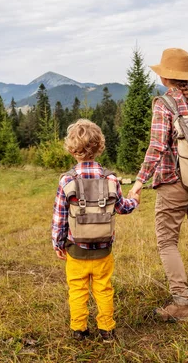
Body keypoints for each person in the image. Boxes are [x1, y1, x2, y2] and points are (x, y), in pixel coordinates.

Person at [130, 48, 188, 321]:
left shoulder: (164, 104)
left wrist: (138, 183)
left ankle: (181, 303)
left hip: (175, 182)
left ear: (165, 77)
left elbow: (156, 147)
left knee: (167, 241)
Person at [52, 119, 140, 341]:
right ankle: (107, 329)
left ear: (71, 149)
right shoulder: (110, 178)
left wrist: (58, 243)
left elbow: (59, 217)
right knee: (103, 289)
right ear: (100, 146)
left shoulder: (67, 180)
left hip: (76, 250)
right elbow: (122, 208)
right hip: (103, 250)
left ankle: (79, 329)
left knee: (78, 290)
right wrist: (134, 200)